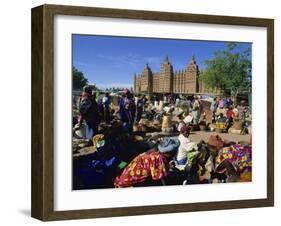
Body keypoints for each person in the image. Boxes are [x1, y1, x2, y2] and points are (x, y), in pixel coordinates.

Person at [114, 137, 180, 187]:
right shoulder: (158, 158)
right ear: (171, 152)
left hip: (123, 179)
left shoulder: (155, 152)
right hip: (128, 185)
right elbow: (161, 179)